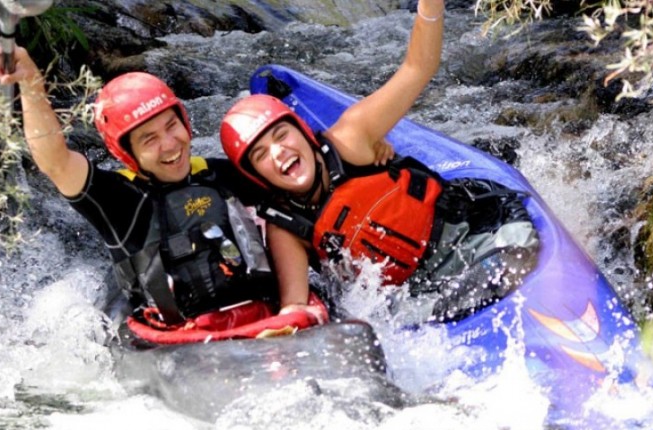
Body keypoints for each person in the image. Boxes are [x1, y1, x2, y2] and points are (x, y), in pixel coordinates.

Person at [0, 47, 395, 327]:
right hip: (188, 344)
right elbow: (56, 161)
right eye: (150, 139)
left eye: (172, 126)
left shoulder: (224, 175)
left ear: (186, 122)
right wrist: (30, 83)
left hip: (272, 319)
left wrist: (365, 155)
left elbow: (302, 184)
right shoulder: (122, 203)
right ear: (128, 154)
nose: (170, 145)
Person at [219, 1, 540, 321]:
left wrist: (430, 7)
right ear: (256, 175)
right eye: (260, 155)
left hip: (467, 234)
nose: (278, 152)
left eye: (281, 136)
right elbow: (295, 303)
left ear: (304, 132)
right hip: (412, 293)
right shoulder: (285, 226)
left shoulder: (351, 137)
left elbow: (418, 68)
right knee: (434, 310)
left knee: (514, 264)